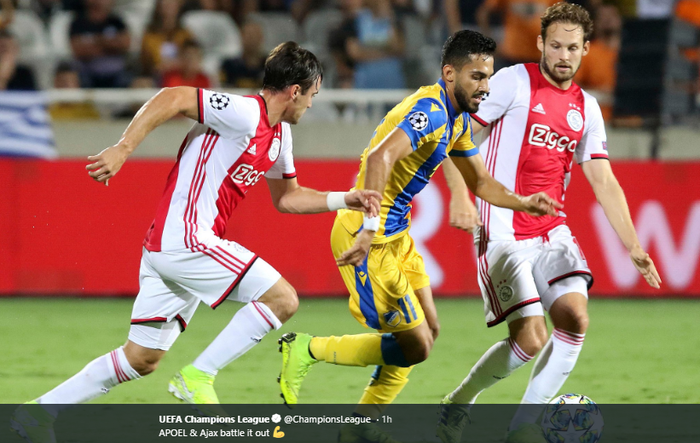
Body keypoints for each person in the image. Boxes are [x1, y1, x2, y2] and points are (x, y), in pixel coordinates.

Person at [10, 41, 381, 443]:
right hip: (185, 237)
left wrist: (346, 198)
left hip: (171, 247)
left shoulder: (279, 137)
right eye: (313, 95)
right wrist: (123, 147)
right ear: (295, 91)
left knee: (142, 358)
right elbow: (173, 97)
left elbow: (288, 198)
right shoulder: (243, 113)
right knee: (283, 299)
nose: (311, 104)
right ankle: (198, 376)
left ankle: (36, 414)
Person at [276, 30, 562, 443]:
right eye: (477, 77)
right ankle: (306, 349)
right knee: (417, 346)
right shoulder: (430, 111)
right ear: (450, 73)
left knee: (429, 327)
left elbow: (480, 181)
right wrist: (370, 229)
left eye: (488, 77)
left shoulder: (458, 118)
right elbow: (380, 157)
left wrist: (522, 202)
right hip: (367, 236)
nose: (485, 86)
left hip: (396, 234)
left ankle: (361, 427)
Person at [436, 4, 662, 443]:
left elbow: (603, 179)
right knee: (531, 340)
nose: (563, 54)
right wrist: (462, 194)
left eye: (572, 47)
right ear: (540, 43)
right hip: (500, 226)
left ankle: (523, 429)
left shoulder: (587, 109)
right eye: (555, 45)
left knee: (575, 318)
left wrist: (633, 246)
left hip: (550, 228)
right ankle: (460, 401)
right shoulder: (512, 82)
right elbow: (453, 132)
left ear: (585, 50)